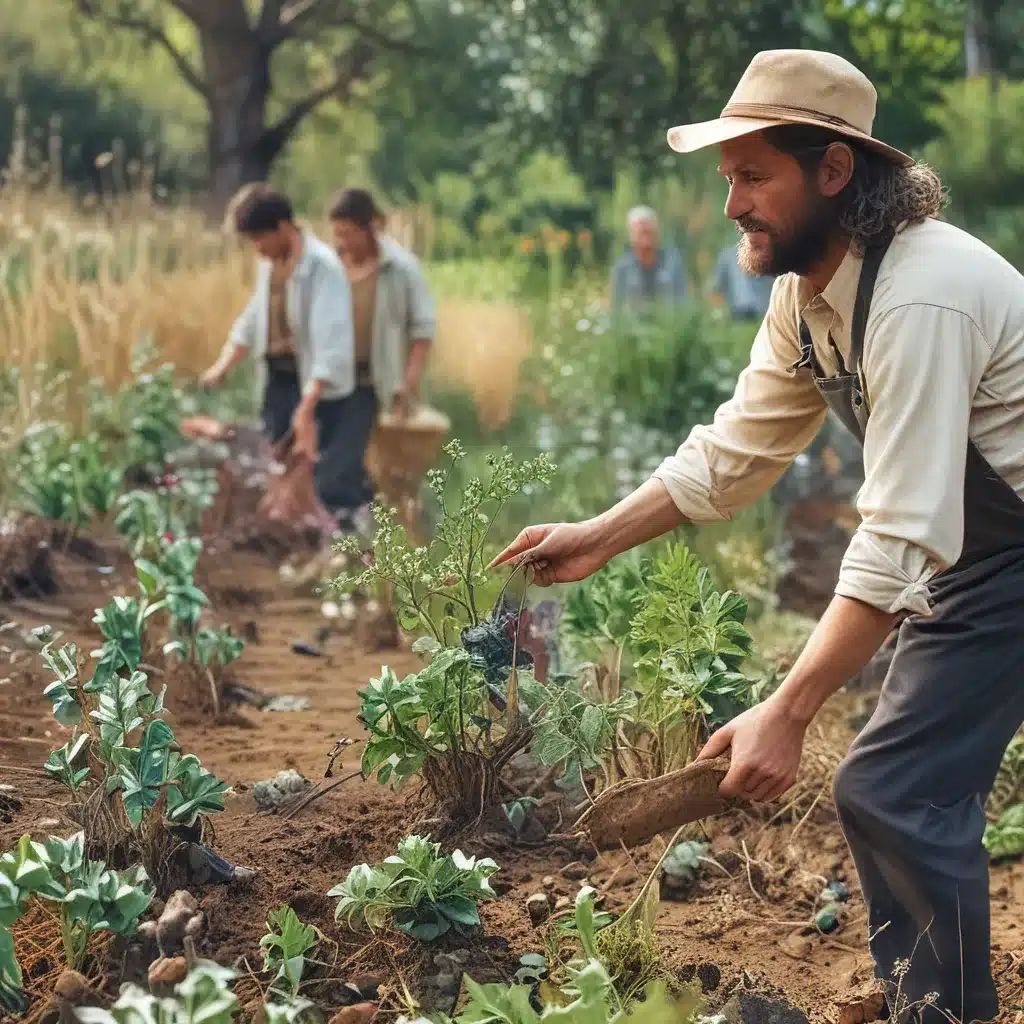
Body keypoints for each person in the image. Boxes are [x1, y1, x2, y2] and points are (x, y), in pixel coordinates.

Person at [493, 48, 1024, 1024]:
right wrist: (602, 534)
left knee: (894, 786)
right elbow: (737, 449)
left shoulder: (921, 295)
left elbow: (900, 532)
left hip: (1003, 558)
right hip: (983, 561)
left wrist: (787, 708)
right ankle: (934, 1004)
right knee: (897, 786)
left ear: (833, 171)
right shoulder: (806, 296)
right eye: (725, 177)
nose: (730, 202)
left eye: (752, 175)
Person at [201, 184, 373, 532]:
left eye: (260, 238)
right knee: (276, 464)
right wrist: (223, 364)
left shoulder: (323, 268)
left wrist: (307, 406)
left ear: (283, 227)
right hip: (280, 380)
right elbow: (253, 319)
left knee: (326, 475)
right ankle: (292, 541)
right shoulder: (272, 266)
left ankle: (352, 549)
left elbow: (332, 339)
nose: (258, 248)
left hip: (318, 387)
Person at [327, 187, 435, 427]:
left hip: (374, 383)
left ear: (371, 227)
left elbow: (423, 331)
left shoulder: (402, 269)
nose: (342, 242)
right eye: (337, 234)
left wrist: (409, 383)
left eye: (349, 234)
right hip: (332, 383)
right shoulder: (328, 268)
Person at [610, 205, 687, 312]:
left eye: (649, 232)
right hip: (633, 326)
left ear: (657, 233)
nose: (646, 239)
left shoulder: (673, 263)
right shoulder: (622, 268)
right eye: (641, 233)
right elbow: (616, 309)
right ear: (631, 235)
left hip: (668, 325)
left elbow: (682, 303)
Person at [712, 243, 775, 321]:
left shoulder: (726, 255)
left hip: (744, 310)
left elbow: (720, 287)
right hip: (756, 311)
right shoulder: (762, 252)